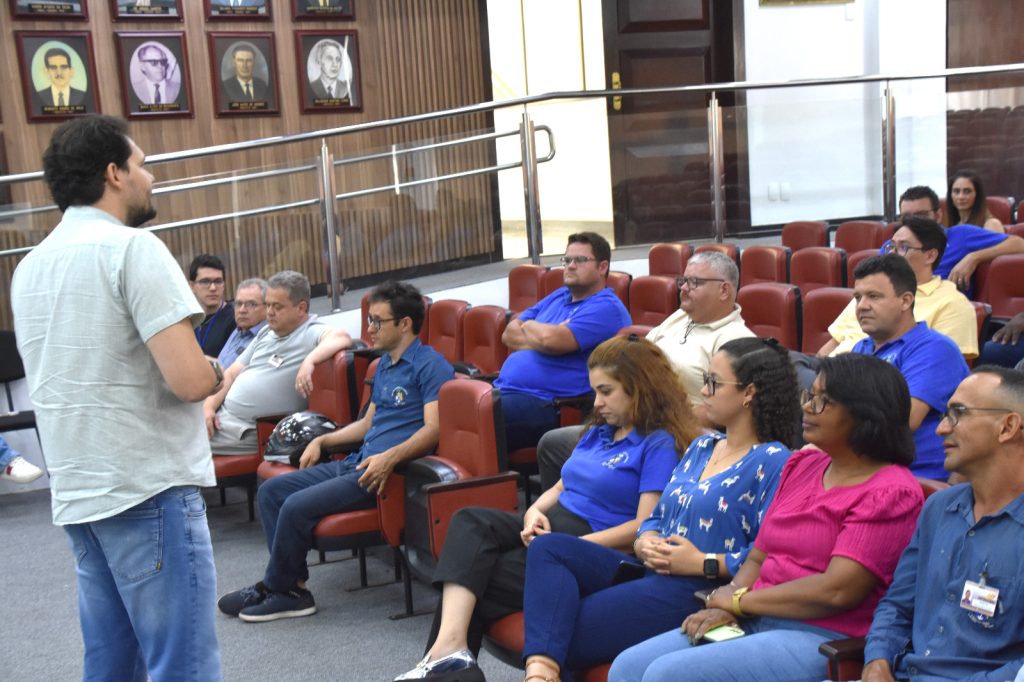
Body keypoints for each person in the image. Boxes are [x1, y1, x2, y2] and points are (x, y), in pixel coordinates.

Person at [11, 115, 224, 680]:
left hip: (79, 493)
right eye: (141, 165)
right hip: (146, 488)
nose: (149, 177)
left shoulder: (28, 269)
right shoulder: (133, 249)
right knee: (183, 667)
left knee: (110, 667)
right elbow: (190, 381)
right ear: (113, 174)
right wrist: (216, 369)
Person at [393, 336, 701, 682]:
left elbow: (643, 527)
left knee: (476, 574)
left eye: (606, 391)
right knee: (469, 520)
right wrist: (533, 512)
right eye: (594, 392)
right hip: (554, 527)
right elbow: (560, 485)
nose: (597, 403)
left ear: (639, 389)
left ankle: (447, 661)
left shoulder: (658, 443)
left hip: (592, 546)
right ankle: (448, 654)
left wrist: (573, 546)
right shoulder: (600, 432)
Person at [609, 354, 924, 682]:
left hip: (818, 635)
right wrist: (726, 605)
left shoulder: (890, 491)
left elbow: (836, 590)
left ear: (864, 413)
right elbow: (760, 556)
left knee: (666, 675)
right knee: (627, 666)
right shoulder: (802, 466)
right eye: (809, 396)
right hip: (755, 618)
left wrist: (740, 601)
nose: (807, 407)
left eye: (822, 401)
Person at [519, 337, 801, 682]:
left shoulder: (774, 461)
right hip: (650, 568)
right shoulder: (703, 445)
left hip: (695, 586)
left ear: (749, 393)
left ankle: (539, 676)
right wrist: (645, 539)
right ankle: (540, 675)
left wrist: (701, 562)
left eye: (714, 382)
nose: (704, 390)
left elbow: (769, 555)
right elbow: (654, 517)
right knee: (549, 548)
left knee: (558, 627)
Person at [218, 281, 453, 622]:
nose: (369, 329)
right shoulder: (384, 365)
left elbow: (434, 430)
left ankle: (277, 588)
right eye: (370, 320)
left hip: (385, 474)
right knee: (271, 492)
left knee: (295, 506)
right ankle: (290, 587)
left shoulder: (430, 365)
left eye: (378, 321)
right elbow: (367, 424)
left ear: (405, 324)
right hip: (358, 462)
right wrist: (323, 441)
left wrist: (389, 458)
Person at [537, 250, 754, 491]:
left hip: (672, 433)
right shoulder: (680, 317)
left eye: (694, 282)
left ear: (724, 290)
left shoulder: (736, 341)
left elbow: (725, 410)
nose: (684, 288)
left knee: (559, 446)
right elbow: (638, 357)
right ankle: (576, 505)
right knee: (552, 443)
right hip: (634, 420)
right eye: (683, 281)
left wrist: (656, 415)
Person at [862, 366, 1024, 681]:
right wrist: (877, 661)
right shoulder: (939, 507)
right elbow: (897, 605)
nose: (941, 429)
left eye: (958, 414)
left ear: (1008, 426)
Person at [494, 232, 630, 454]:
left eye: (580, 260)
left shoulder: (606, 308)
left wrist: (530, 326)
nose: (570, 266)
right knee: (455, 404)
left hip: (549, 404)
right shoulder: (559, 296)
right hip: (506, 390)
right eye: (567, 260)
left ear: (602, 267)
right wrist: (545, 335)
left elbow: (551, 340)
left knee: (471, 415)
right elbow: (508, 334)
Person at [203, 270, 351, 455]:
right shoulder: (266, 333)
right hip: (223, 417)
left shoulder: (309, 332)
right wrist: (208, 407)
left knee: (179, 441)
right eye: (267, 305)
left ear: (301, 308)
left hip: (251, 431)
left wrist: (309, 360)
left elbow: (342, 337)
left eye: (277, 307)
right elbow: (231, 374)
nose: (269, 312)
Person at [848, 254, 968, 479]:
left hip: (917, 478)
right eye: (858, 297)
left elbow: (903, 422)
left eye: (874, 296)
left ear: (905, 301)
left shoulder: (934, 349)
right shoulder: (861, 348)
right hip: (868, 469)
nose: (862, 306)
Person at [818, 216, 978, 359]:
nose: (893, 254)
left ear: (930, 256)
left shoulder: (952, 303)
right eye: (891, 246)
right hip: (832, 371)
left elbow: (942, 364)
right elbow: (832, 344)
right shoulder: (867, 291)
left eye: (903, 247)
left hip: (876, 377)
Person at [892, 186, 1024, 294]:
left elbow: (1019, 244)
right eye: (906, 216)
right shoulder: (892, 245)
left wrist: (974, 257)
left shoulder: (961, 234)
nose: (913, 221)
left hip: (945, 307)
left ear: (938, 216)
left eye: (921, 215)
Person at [189, 254, 235, 357]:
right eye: (205, 282)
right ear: (192, 286)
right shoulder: (187, 321)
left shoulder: (235, 318)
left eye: (218, 281)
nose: (213, 288)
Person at [217, 277, 267, 369]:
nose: (242, 310)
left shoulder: (268, 337)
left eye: (251, 304)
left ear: (267, 307)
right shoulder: (238, 330)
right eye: (238, 303)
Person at [944, 169, 1004, 233]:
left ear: (977, 194)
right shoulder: (953, 226)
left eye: (967, 191)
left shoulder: (991, 224)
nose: (961, 197)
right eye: (956, 191)